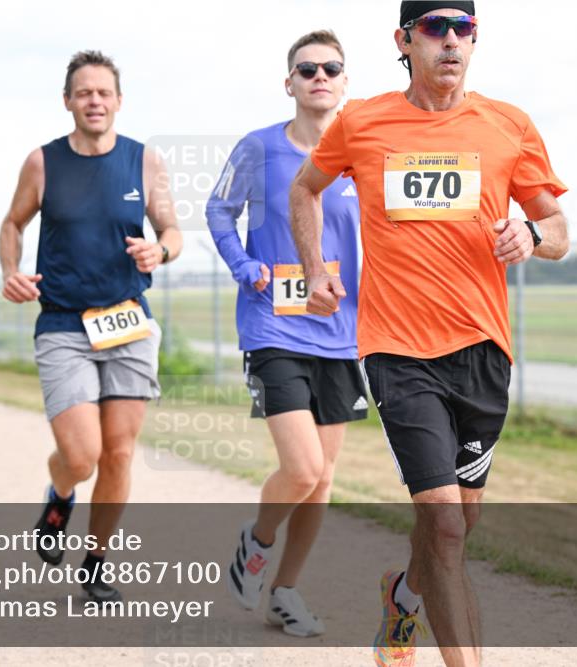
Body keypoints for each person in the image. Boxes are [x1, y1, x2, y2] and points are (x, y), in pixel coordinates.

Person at [290, 2, 569, 665]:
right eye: (434, 28)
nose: (450, 40)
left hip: (482, 352)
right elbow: (306, 190)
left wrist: (530, 233)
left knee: (460, 524)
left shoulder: (508, 126)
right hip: (398, 350)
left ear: (475, 40)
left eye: (462, 28)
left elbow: (557, 228)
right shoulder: (363, 122)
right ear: (404, 40)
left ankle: (402, 597)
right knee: (444, 525)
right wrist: (314, 270)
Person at [0, 50, 182, 603]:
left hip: (127, 320)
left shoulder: (145, 161)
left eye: (104, 92)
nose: (94, 101)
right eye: (84, 92)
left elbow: (171, 226)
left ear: (118, 101)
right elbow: (12, 222)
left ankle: (96, 561)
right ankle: (60, 493)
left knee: (120, 453)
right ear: (68, 101)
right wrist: (11, 270)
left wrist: (161, 250)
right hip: (63, 323)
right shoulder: (42, 163)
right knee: (83, 455)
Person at [206, 30, 365, 638]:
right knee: (301, 470)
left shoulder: (364, 154)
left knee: (323, 478)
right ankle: (257, 540)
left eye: (331, 68)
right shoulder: (258, 148)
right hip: (273, 324)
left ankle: (286, 592)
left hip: (343, 333)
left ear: (345, 81)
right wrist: (243, 266)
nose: (319, 76)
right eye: (307, 69)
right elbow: (219, 210)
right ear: (290, 83)